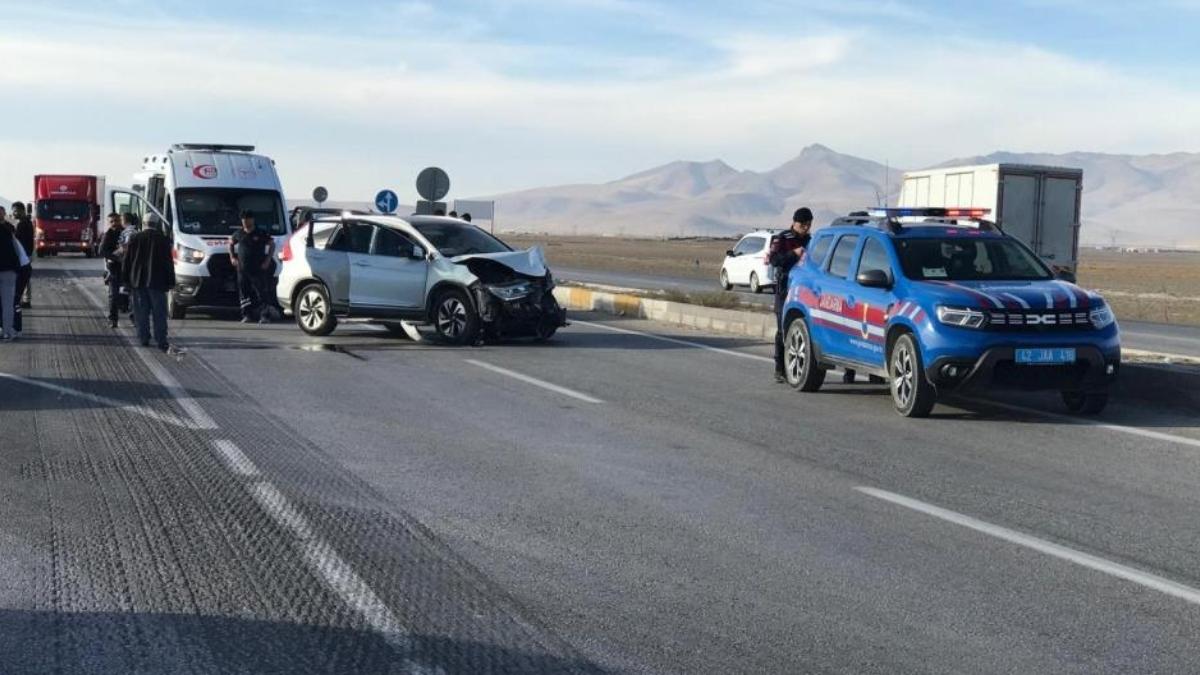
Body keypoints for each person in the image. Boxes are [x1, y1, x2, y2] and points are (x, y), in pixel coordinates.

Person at [768, 207, 813, 383]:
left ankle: (797, 367)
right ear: (795, 222)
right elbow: (774, 260)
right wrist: (792, 254)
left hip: (803, 291)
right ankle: (780, 368)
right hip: (785, 289)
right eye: (803, 224)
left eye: (808, 225)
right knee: (783, 329)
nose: (805, 228)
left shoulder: (810, 240)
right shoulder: (783, 238)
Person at [122, 220, 175, 351]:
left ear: (144, 224)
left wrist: (126, 280)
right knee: (159, 313)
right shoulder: (163, 239)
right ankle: (161, 339)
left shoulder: (135, 238)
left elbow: (127, 260)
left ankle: (143, 338)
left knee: (141, 312)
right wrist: (171, 281)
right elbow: (168, 262)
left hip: (138, 281)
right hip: (157, 282)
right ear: (156, 225)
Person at [228, 210, 276, 324]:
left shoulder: (260, 233)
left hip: (258, 269)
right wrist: (232, 257)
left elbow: (272, 244)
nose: (245, 222)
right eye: (243, 220)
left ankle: (265, 316)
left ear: (252, 220)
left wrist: (268, 260)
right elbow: (230, 243)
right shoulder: (238, 233)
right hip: (242, 269)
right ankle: (247, 315)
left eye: (247, 220)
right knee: (244, 292)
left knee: (261, 292)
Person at [0, 209, 27, 341]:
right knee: (8, 303)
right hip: (9, 271)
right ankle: (7, 332)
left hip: (8, 270)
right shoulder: (8, 231)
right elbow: (18, 251)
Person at [98, 212, 127, 328]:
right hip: (114, 269)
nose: (114, 223)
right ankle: (113, 319)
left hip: (127, 268)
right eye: (112, 221)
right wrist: (116, 257)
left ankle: (135, 318)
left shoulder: (125, 233)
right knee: (113, 295)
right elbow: (102, 251)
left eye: (116, 220)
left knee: (131, 294)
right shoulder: (108, 235)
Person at [12, 202, 33, 309]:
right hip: (26, 254)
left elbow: (19, 241)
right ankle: (25, 299)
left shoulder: (22, 223)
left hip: (23, 255)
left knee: (23, 277)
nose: (13, 213)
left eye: (15, 211)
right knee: (25, 277)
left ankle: (25, 300)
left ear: (21, 210)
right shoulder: (25, 222)